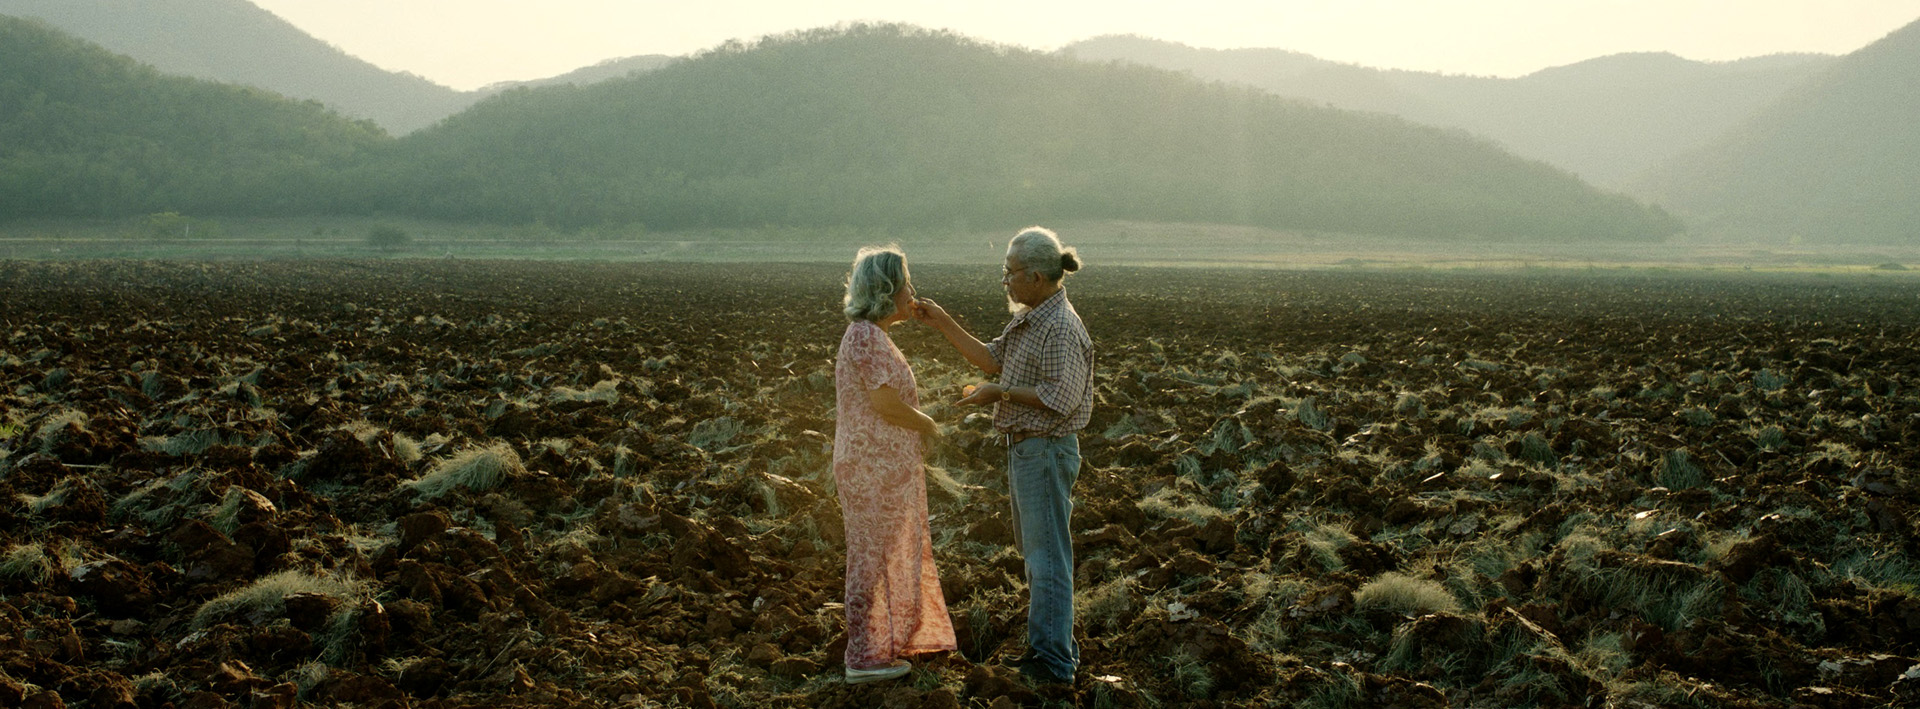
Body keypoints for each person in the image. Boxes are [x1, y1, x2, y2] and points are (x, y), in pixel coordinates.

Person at [914, 227, 1094, 685]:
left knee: (1048, 557)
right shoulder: (1032, 317)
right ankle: (1046, 649)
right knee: (1038, 554)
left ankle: (1053, 663)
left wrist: (1002, 394)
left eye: (1009, 272)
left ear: (1035, 275)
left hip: (1047, 450)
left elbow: (1063, 397)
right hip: (1028, 450)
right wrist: (942, 322)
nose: (1005, 281)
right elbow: (993, 359)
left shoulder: (1059, 326)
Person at [831, 245, 957, 685]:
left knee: (879, 553)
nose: (913, 292)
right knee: (870, 557)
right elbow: (885, 403)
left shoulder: (872, 335)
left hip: (881, 467)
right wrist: (928, 424)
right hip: (871, 468)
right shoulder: (866, 335)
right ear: (887, 289)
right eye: (906, 283)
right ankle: (864, 658)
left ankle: (882, 644)